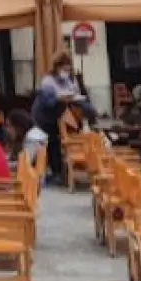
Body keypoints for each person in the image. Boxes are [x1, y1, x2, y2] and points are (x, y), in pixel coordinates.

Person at [31, 53, 90, 183]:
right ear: (56, 68)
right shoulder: (48, 81)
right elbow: (47, 101)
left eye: (68, 69)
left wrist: (74, 97)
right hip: (45, 115)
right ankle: (45, 171)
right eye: (64, 69)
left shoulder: (71, 80)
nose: (66, 72)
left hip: (60, 115)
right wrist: (59, 98)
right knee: (49, 141)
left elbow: (76, 93)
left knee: (57, 142)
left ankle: (58, 171)